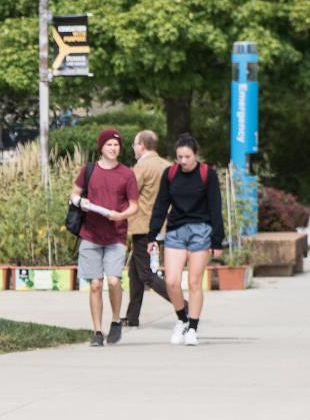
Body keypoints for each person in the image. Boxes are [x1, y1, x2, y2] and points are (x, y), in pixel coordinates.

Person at [147, 133, 224, 346]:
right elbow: (161, 205)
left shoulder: (207, 174)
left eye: (187, 156)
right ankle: (181, 319)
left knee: (194, 282)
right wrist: (152, 235)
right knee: (171, 281)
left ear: (196, 155)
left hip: (201, 232)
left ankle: (193, 328)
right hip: (175, 232)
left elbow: (216, 208)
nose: (182, 161)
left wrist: (217, 241)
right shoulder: (170, 174)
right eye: (179, 156)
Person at [69, 128, 139, 346]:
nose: (113, 148)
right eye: (109, 144)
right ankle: (97, 332)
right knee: (96, 285)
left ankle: (116, 320)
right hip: (90, 234)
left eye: (116, 145)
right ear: (101, 147)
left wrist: (120, 214)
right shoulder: (88, 170)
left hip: (116, 235)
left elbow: (135, 206)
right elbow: (74, 193)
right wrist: (81, 203)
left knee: (113, 280)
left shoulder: (127, 174)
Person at [124, 130, 171, 326]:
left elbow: (130, 193)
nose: (133, 148)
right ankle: (132, 317)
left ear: (142, 145)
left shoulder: (142, 167)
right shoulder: (168, 166)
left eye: (135, 144)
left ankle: (183, 305)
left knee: (146, 274)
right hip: (162, 225)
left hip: (143, 226)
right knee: (134, 272)